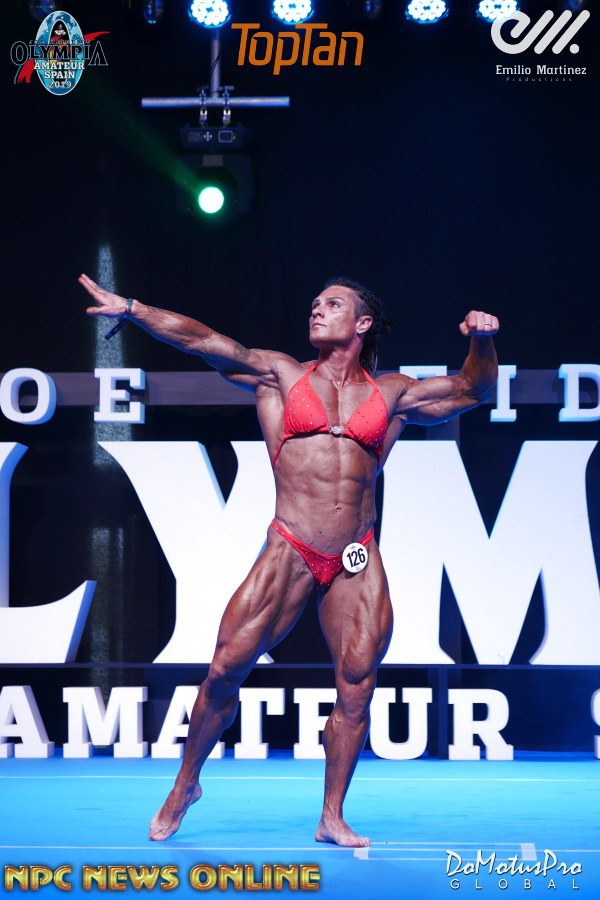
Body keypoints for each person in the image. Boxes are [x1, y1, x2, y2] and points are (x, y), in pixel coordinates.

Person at [79, 272, 499, 848]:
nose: (317, 310)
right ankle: (185, 785)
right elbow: (203, 341)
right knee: (224, 671)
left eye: (333, 304)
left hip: (355, 555)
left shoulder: (392, 393)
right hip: (291, 545)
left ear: (363, 323)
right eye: (315, 304)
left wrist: (482, 340)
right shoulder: (280, 375)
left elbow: (473, 390)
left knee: (357, 685)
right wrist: (132, 308)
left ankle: (331, 816)